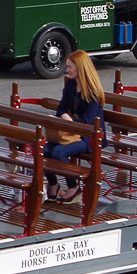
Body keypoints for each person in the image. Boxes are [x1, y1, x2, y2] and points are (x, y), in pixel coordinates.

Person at [45, 50, 104, 205]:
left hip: (90, 137)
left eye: (70, 67)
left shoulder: (93, 92)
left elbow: (87, 121)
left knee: (58, 152)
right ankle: (53, 183)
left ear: (80, 67)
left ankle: (74, 187)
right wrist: (64, 116)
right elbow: (61, 107)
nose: (67, 70)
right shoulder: (71, 83)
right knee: (43, 150)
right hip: (71, 131)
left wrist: (69, 121)